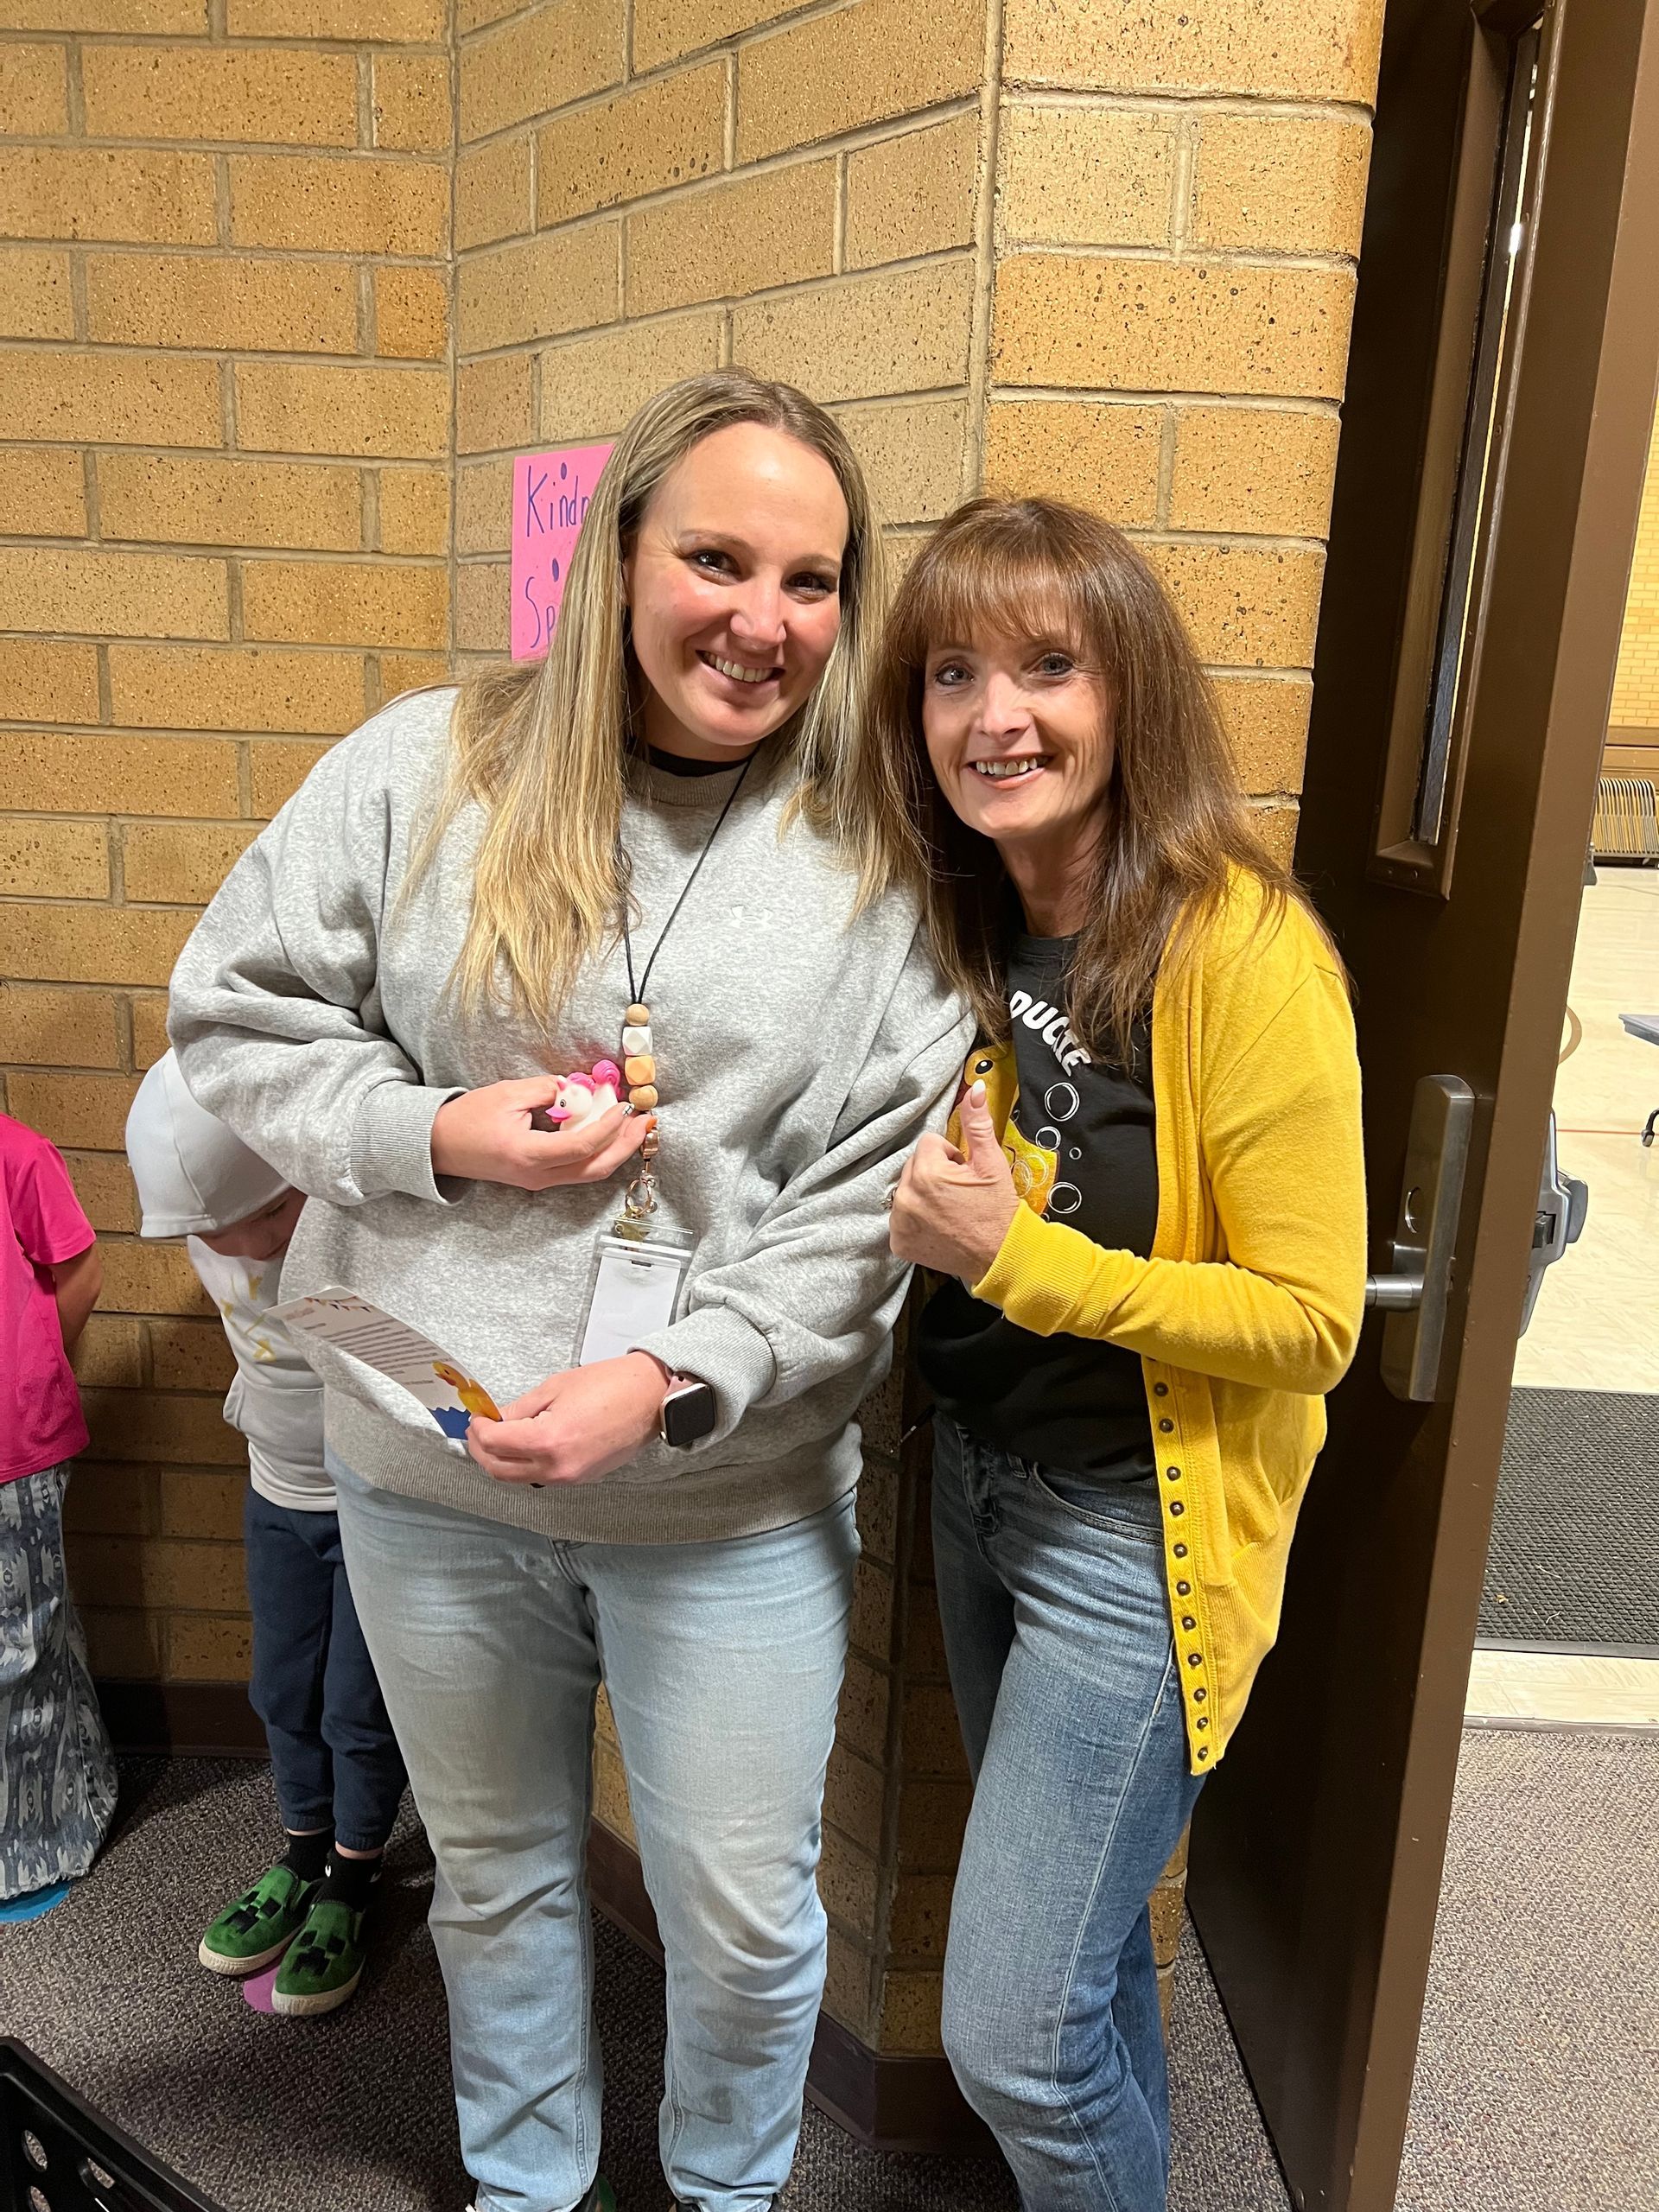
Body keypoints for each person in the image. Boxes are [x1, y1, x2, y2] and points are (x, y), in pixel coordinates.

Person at [168, 371, 972, 2212]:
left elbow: (867, 1209)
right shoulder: (421, 767)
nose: (760, 620)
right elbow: (235, 1006)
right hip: (428, 1477)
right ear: (617, 554)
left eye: (811, 578)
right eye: (713, 556)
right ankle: (528, 2190)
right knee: (504, 1876)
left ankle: (721, 2191)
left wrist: (678, 1375)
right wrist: (435, 1126)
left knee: (749, 1922)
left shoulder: (873, 864)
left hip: (723, 1500)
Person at [880, 497, 1367, 2210]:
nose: (991, 714)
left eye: (1046, 664)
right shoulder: (964, 918)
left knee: (1011, 2032)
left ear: (1130, 692)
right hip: (979, 1490)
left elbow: (1311, 1323)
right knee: (1079, 1979)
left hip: (1128, 1538)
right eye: (951, 671)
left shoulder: (1240, 944)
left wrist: (1030, 1261)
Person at [125, 1052, 407, 2015]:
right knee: (282, 1685)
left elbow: (422, 1385)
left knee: (356, 1708)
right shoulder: (206, 1220)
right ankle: (298, 1854)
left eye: (267, 1222)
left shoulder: (353, 1231)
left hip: (375, 1505)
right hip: (278, 1492)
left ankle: (352, 1877)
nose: (239, 1248)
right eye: (214, 1234)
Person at [0, 1109, 116, 1903]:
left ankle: (44, 1840)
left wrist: (37, 1369)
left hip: (15, 1447)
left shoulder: (18, 1153)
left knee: (24, 1648)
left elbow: (79, 1274)